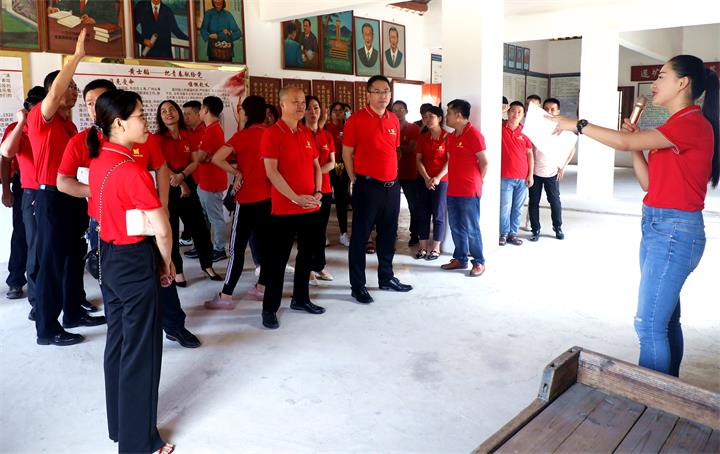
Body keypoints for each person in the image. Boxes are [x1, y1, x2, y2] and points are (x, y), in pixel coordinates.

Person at [550, 55, 718, 377]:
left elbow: (623, 141)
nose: (654, 84)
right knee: (665, 320)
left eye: (662, 76)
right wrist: (638, 147)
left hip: (674, 232)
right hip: (658, 228)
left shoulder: (690, 124)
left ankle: (650, 399)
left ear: (682, 83)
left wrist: (578, 125)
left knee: (648, 325)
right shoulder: (674, 127)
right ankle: (669, 391)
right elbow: (649, 183)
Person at [86, 89, 175, 454]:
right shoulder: (132, 170)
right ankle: (139, 443)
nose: (146, 121)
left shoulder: (100, 160)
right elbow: (162, 229)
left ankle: (119, 427)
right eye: (140, 115)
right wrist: (167, 262)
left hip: (109, 259)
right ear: (120, 123)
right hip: (135, 261)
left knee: (119, 342)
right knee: (142, 351)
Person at [27, 30, 105, 346]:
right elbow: (57, 89)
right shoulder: (40, 118)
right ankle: (46, 329)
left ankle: (73, 312)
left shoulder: (70, 126)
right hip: (51, 198)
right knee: (51, 264)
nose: (73, 91)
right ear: (54, 92)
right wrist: (77, 57)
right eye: (69, 86)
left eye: (75, 88)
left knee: (74, 256)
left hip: (73, 195)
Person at [343, 75, 413, 304]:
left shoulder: (393, 119)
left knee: (388, 235)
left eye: (386, 91)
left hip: (392, 187)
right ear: (368, 94)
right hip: (367, 186)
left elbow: (394, 150)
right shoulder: (356, 119)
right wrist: (354, 178)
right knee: (360, 237)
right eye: (378, 91)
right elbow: (347, 153)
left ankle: (386, 277)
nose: (383, 95)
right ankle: (358, 286)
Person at [260, 86, 324, 329]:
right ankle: (269, 308)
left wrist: (318, 192)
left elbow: (316, 166)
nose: (301, 106)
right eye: (295, 101)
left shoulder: (306, 133)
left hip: (310, 207)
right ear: (282, 105)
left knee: (306, 257)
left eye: (303, 102)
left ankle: (301, 299)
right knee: (277, 261)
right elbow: (271, 172)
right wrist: (295, 198)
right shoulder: (272, 134)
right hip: (284, 209)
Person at [204, 95, 269, 309]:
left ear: (246, 113)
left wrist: (237, 172)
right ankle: (262, 288)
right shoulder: (271, 134)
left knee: (236, 249)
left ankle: (226, 296)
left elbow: (216, 158)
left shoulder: (242, 136)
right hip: (269, 200)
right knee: (265, 246)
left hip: (247, 199)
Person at [154, 99, 221, 285]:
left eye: (172, 109)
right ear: (160, 117)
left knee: (200, 227)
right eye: (164, 111)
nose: (168, 113)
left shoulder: (187, 135)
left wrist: (182, 177)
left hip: (186, 180)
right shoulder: (157, 138)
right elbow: (160, 164)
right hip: (167, 183)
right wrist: (177, 180)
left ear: (178, 112)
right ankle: (178, 271)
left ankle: (207, 265)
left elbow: (194, 161)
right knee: (172, 230)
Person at [0, 87, 44, 303]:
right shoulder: (15, 128)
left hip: (48, 185)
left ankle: (43, 283)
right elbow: (6, 159)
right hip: (23, 184)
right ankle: (16, 279)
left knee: (41, 236)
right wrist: (6, 190)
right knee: (22, 233)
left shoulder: (51, 125)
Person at [440, 99, 488, 277]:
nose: (446, 116)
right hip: (453, 189)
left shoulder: (474, 134)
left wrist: (479, 181)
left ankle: (479, 261)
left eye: (448, 113)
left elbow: (484, 162)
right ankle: (460, 259)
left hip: (469, 190)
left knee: (471, 228)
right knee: (455, 226)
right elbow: (451, 160)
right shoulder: (451, 137)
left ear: (458, 115)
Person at [528, 97, 576, 242]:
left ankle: (557, 227)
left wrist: (563, 166)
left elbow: (571, 149)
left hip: (552, 173)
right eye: (546, 109)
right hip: (535, 172)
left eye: (553, 109)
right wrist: (529, 171)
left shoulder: (563, 128)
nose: (549, 112)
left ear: (558, 111)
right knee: (533, 202)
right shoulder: (536, 127)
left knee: (555, 202)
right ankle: (535, 229)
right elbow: (530, 149)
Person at [305, 95, 336, 285]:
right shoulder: (299, 133)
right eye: (309, 108)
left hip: (324, 189)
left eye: (316, 108)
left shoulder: (327, 135)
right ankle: (307, 268)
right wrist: (312, 175)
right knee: (307, 231)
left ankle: (319, 266)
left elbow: (332, 163)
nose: (313, 112)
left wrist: (316, 172)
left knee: (320, 231)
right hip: (306, 190)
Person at [196, 96, 229, 261]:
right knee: (206, 218)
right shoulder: (211, 128)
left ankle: (219, 249)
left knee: (215, 218)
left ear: (206, 110)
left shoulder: (212, 130)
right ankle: (205, 247)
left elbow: (200, 157)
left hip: (212, 182)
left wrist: (196, 154)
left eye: (201, 109)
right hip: (205, 181)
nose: (199, 112)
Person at [414, 105, 448, 261]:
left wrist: (438, 177)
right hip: (423, 180)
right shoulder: (423, 137)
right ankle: (422, 247)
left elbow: (450, 161)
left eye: (431, 116)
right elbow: (418, 160)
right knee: (423, 213)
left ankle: (435, 248)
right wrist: (427, 178)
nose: (427, 120)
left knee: (438, 214)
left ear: (439, 118)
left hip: (442, 181)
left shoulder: (448, 137)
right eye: (424, 117)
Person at [499, 101, 534, 246]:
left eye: (520, 112)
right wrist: (500, 110)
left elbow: (530, 154)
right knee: (505, 207)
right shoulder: (500, 128)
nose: (516, 114)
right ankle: (503, 233)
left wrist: (530, 174)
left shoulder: (525, 132)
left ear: (523, 115)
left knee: (517, 208)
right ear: (508, 112)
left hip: (522, 177)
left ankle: (513, 234)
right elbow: (489, 118)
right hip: (505, 176)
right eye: (513, 111)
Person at [392, 100, 421, 246]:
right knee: (392, 207)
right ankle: (391, 233)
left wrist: (393, 147)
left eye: (401, 109)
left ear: (407, 111)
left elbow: (411, 149)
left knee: (413, 205)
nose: (398, 112)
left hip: (410, 172)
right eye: (395, 110)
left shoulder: (414, 128)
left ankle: (414, 234)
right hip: (392, 173)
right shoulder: (388, 127)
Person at [325, 101, 350, 246]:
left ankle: (343, 233)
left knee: (342, 200)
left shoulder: (348, 128)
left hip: (343, 167)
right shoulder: (325, 128)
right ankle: (323, 233)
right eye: (335, 110)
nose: (338, 113)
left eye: (341, 110)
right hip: (328, 167)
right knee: (325, 200)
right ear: (330, 113)